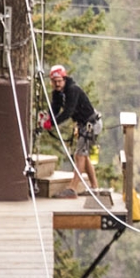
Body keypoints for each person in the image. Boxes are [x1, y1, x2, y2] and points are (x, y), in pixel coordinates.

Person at [41, 65, 101, 195]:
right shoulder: (58, 93)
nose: (57, 84)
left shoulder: (72, 90)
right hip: (83, 124)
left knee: (80, 155)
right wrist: (48, 118)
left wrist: (52, 123)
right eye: (54, 82)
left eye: (59, 81)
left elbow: (68, 111)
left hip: (91, 123)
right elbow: (55, 109)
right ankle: (95, 187)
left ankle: (72, 188)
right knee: (83, 154)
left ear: (65, 79)